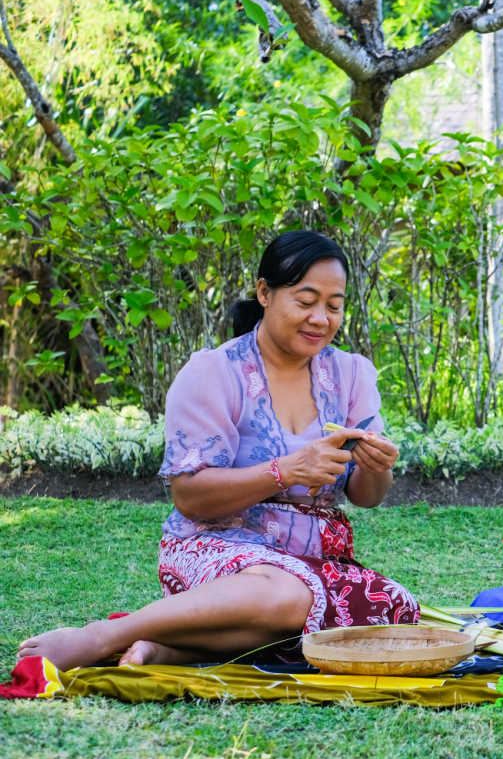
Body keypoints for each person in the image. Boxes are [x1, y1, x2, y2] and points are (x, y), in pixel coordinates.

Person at [18, 230, 418, 670]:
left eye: (334, 305)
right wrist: (287, 469)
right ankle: (105, 635)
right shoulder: (213, 373)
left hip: (315, 562)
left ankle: (174, 649)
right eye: (305, 302)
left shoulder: (351, 374)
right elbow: (191, 497)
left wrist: (378, 467)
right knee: (286, 596)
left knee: (394, 608)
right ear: (264, 293)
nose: (320, 318)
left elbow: (368, 495)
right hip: (216, 546)